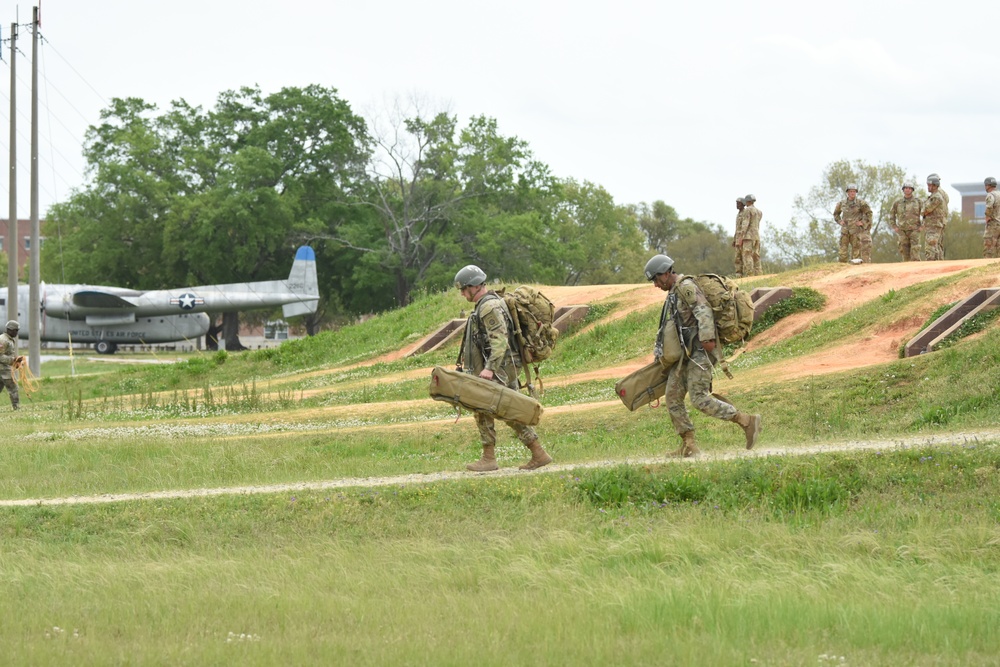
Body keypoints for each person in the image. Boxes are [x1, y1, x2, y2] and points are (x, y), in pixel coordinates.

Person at [644, 254, 761, 458]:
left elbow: (703, 310)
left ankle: (746, 421)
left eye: (655, 279)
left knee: (698, 398)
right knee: (672, 397)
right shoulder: (673, 292)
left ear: (665, 273)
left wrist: (707, 338)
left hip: (700, 351)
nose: (655, 284)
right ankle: (689, 445)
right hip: (685, 354)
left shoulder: (686, 286)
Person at [454, 264, 552, 472]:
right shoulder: (486, 305)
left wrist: (489, 368)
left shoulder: (489, 307)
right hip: (502, 366)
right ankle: (491, 457)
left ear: (474, 286)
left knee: (506, 409)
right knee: (484, 409)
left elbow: (499, 339)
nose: (462, 293)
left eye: (464, 289)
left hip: (501, 367)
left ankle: (535, 452)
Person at [833, 184, 873, 263]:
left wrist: (862, 222)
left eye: (854, 191)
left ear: (856, 192)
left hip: (856, 232)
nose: (852, 193)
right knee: (842, 253)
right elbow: (836, 214)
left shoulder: (861, 203)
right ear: (847, 192)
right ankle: (841, 271)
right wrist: (839, 221)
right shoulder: (841, 203)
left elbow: (869, 214)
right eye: (850, 191)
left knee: (856, 254)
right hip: (845, 231)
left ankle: (855, 272)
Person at [889, 182, 923, 261]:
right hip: (902, 231)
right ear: (903, 190)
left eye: (909, 188)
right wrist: (894, 226)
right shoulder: (898, 202)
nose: (907, 190)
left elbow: (926, 214)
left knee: (915, 252)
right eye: (906, 188)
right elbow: (892, 215)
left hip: (915, 230)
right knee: (904, 253)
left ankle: (917, 270)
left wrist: (922, 226)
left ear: (912, 190)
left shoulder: (918, 202)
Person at [922, 174, 949, 261]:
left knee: (930, 247)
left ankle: (931, 268)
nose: (928, 187)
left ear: (935, 185)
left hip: (934, 225)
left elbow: (925, 210)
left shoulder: (936, 196)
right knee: (937, 247)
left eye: (930, 185)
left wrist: (923, 209)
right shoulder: (941, 194)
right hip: (937, 223)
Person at [0, 320, 23, 411]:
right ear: (10, 330)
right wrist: (13, 360)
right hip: (4, 370)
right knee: (13, 389)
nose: (17, 332)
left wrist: (15, 361)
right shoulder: (3, 340)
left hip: (4, 368)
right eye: (16, 330)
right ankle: (16, 407)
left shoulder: (7, 339)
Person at [738, 194, 762, 276]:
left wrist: (741, 237)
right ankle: (759, 274)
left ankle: (750, 274)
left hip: (748, 236)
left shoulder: (747, 210)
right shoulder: (759, 212)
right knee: (756, 255)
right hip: (756, 236)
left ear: (748, 201)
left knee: (747, 255)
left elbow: (745, 224)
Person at [984, 177, 1000, 258]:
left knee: (989, 246)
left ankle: (986, 264)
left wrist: (987, 216)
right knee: (998, 247)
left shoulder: (990, 195)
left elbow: (989, 206)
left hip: (993, 224)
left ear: (988, 185)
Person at [732, 196, 746, 277]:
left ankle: (748, 275)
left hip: (743, 239)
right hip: (737, 239)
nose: (737, 205)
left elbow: (744, 227)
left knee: (745, 257)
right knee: (737, 258)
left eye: (738, 203)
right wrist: (734, 239)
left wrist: (742, 238)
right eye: (736, 203)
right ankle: (738, 275)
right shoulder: (738, 214)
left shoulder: (745, 213)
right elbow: (737, 228)